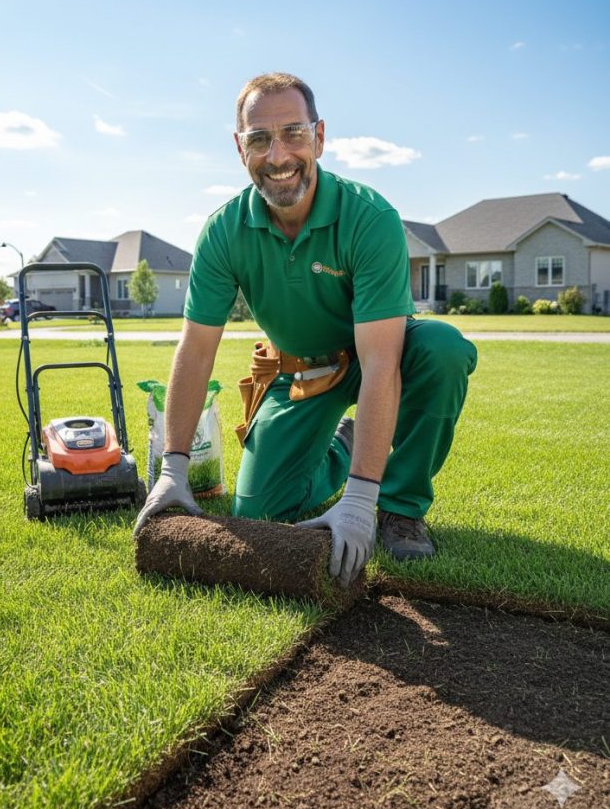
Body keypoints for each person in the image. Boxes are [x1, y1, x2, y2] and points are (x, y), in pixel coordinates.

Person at [133, 72, 477, 585]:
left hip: (381, 357)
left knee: (442, 348)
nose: (277, 156)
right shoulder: (224, 231)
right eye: (259, 139)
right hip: (302, 370)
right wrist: (172, 469)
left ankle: (399, 508)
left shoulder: (368, 217)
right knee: (260, 511)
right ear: (239, 148)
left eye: (293, 133)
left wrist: (361, 501)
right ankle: (345, 444)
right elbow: (197, 350)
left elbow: (382, 362)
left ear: (319, 136)